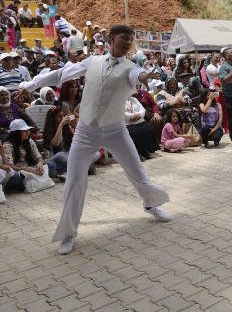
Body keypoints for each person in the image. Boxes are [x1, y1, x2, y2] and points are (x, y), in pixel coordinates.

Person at [17, 25, 170, 255]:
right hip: (86, 131)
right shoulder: (92, 61)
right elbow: (60, 74)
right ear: (111, 38)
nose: (128, 42)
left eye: (131, 39)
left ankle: (150, 204)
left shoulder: (131, 67)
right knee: (74, 181)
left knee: (137, 172)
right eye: (124, 38)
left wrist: (145, 76)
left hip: (115, 130)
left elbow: (137, 76)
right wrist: (29, 85)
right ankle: (69, 232)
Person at [124, 94, 160, 161]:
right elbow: (121, 113)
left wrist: (139, 115)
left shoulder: (134, 99)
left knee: (150, 129)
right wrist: (132, 116)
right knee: (133, 133)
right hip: (128, 123)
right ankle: (137, 153)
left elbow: (142, 109)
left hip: (139, 120)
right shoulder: (118, 101)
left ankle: (145, 151)